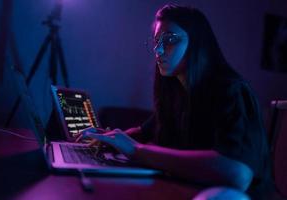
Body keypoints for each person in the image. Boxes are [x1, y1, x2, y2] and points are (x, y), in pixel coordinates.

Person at [79, 4, 277, 199]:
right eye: (157, 41)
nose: (158, 50)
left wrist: (137, 151)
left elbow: (237, 173)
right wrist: (111, 138)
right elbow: (145, 132)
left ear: (197, 43)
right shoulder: (177, 91)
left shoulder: (231, 90)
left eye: (171, 39)